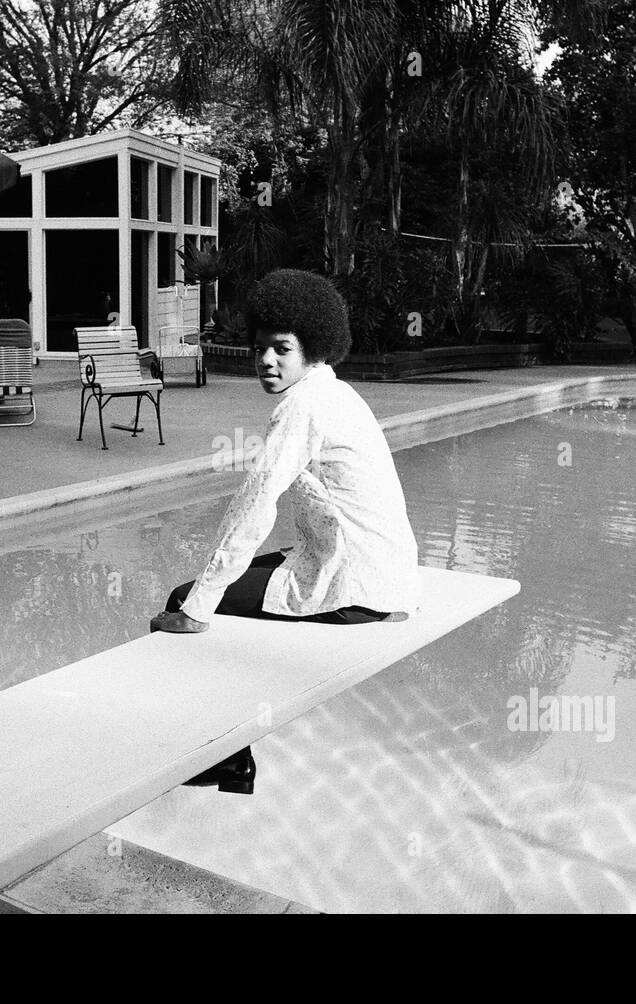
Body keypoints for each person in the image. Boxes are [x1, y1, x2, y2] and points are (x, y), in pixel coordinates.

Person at [150, 268, 421, 794]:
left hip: (354, 589)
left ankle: (223, 759)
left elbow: (254, 507)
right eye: (259, 349)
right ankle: (230, 756)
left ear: (313, 349)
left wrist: (200, 602)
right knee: (248, 576)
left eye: (281, 349)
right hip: (387, 578)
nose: (266, 362)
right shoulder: (337, 394)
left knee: (186, 598)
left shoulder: (302, 407)